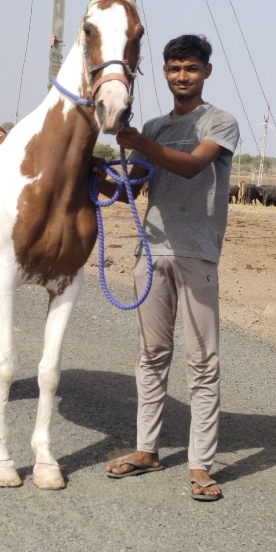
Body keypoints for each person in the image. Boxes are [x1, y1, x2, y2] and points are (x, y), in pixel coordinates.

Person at [102, 34, 239, 501]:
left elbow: (191, 167)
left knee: (202, 364)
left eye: (191, 68)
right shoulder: (156, 128)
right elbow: (130, 184)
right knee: (152, 358)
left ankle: (200, 464)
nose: (183, 76)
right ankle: (148, 449)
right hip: (151, 255)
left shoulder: (220, 123)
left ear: (206, 72)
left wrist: (139, 141)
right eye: (175, 68)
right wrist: (91, 166)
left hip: (197, 253)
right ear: (164, 72)